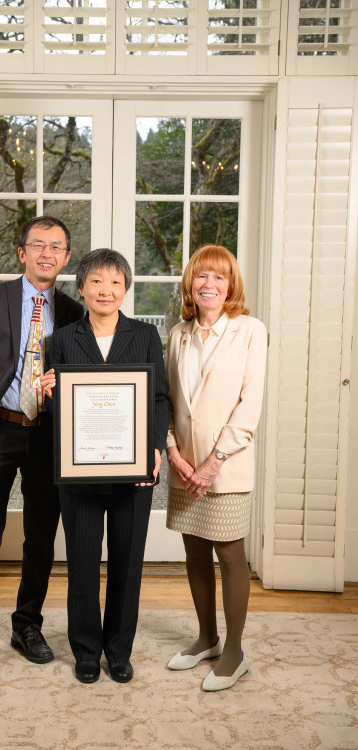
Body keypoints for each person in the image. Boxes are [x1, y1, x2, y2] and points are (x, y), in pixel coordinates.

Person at [0, 216, 84, 678]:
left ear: (67, 258)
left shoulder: (74, 311)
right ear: (22, 253)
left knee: (39, 537)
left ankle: (27, 625)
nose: (47, 253)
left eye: (56, 246)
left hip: (47, 436)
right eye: (39, 245)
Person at [41, 249, 169, 684]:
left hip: (134, 470)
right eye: (97, 281)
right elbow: (61, 412)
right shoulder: (59, 340)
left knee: (128, 563)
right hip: (80, 472)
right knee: (81, 563)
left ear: (126, 289)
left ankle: (118, 651)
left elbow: (159, 399)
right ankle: (85, 651)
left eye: (115, 282)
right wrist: (51, 392)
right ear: (81, 287)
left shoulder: (146, 336)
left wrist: (153, 450)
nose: (106, 290)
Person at [164, 244, 267, 692]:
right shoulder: (177, 335)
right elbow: (166, 403)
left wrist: (212, 463)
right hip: (184, 466)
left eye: (219, 277)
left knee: (229, 555)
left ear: (231, 285)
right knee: (194, 552)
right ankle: (207, 637)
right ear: (190, 283)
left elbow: (249, 406)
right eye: (201, 276)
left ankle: (235, 651)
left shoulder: (250, 331)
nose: (209, 284)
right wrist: (173, 453)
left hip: (224, 468)